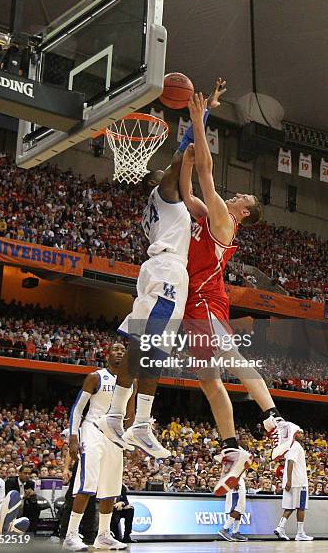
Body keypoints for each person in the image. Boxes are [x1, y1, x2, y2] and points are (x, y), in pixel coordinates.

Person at [179, 90, 300, 495]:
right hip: (190, 304)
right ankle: (232, 450)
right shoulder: (205, 214)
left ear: (244, 212)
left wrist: (201, 118)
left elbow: (207, 173)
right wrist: (186, 154)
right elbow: (187, 190)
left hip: (206, 301)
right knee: (208, 381)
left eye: (241, 198)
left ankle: (276, 420)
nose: (234, 196)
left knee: (232, 358)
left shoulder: (224, 222)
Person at [98, 80, 224, 458]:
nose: (166, 174)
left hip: (160, 271)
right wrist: (197, 118)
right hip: (168, 273)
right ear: (157, 184)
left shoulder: (163, 211)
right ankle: (127, 421)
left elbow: (185, 167)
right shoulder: (164, 197)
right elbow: (179, 162)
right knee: (149, 348)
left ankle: (127, 420)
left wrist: (204, 116)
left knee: (147, 348)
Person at [63, 343, 135, 551]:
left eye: (123, 350)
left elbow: (129, 416)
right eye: (116, 350)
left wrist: (129, 441)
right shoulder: (95, 376)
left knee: (111, 487)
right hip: (92, 430)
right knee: (87, 483)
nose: (120, 353)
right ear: (107, 356)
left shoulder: (131, 382)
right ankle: (71, 535)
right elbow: (77, 409)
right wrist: (73, 437)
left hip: (115, 436)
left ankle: (103, 535)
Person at [274, 430, 313, 541]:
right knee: (301, 507)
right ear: (294, 435)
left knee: (289, 507)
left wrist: (288, 481)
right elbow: (291, 462)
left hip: (292, 481)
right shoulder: (296, 446)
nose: (302, 434)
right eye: (300, 433)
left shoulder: (292, 446)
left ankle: (280, 527)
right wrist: (289, 481)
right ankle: (300, 533)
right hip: (298, 482)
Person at [5, 466, 40, 534]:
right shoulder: (10, 482)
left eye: (29, 474)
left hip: (25, 505)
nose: (27, 475)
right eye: (25, 473)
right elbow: (9, 497)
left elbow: (32, 500)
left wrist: (33, 496)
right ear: (19, 473)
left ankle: (31, 531)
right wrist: (23, 496)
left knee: (36, 508)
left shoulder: (31, 483)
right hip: (12, 505)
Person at [218, 475, 248, 542]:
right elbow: (233, 467)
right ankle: (224, 529)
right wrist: (235, 481)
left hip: (239, 479)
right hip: (235, 479)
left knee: (241, 508)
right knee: (237, 507)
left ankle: (235, 532)